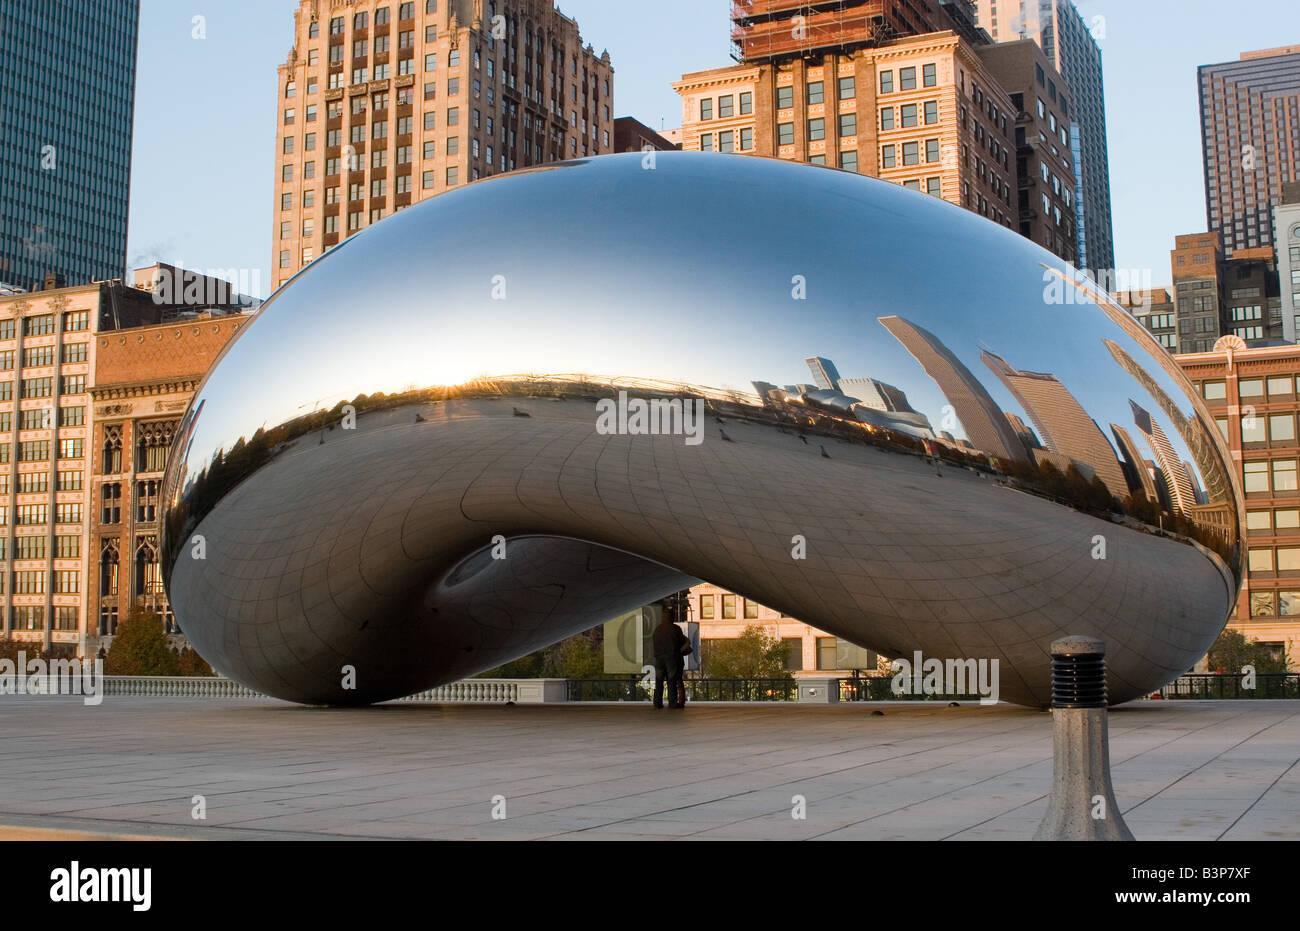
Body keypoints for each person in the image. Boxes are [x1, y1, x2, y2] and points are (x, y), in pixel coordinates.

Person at [652, 616, 689, 709]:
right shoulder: (675, 629)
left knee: (659, 681)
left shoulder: (658, 629)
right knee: (671, 681)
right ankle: (672, 703)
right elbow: (684, 641)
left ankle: (657, 702)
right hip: (671, 658)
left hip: (659, 658)